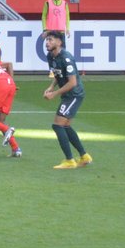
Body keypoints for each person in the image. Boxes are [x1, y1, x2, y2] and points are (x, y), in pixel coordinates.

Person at [43, 30, 92, 170]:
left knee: (57, 125)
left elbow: (72, 83)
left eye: (51, 40)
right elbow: (58, 75)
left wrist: (54, 94)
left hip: (74, 95)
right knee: (65, 126)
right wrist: (51, 87)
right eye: (47, 40)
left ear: (59, 42)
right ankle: (84, 156)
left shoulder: (66, 58)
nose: (47, 42)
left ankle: (69, 160)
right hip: (68, 95)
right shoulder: (50, 56)